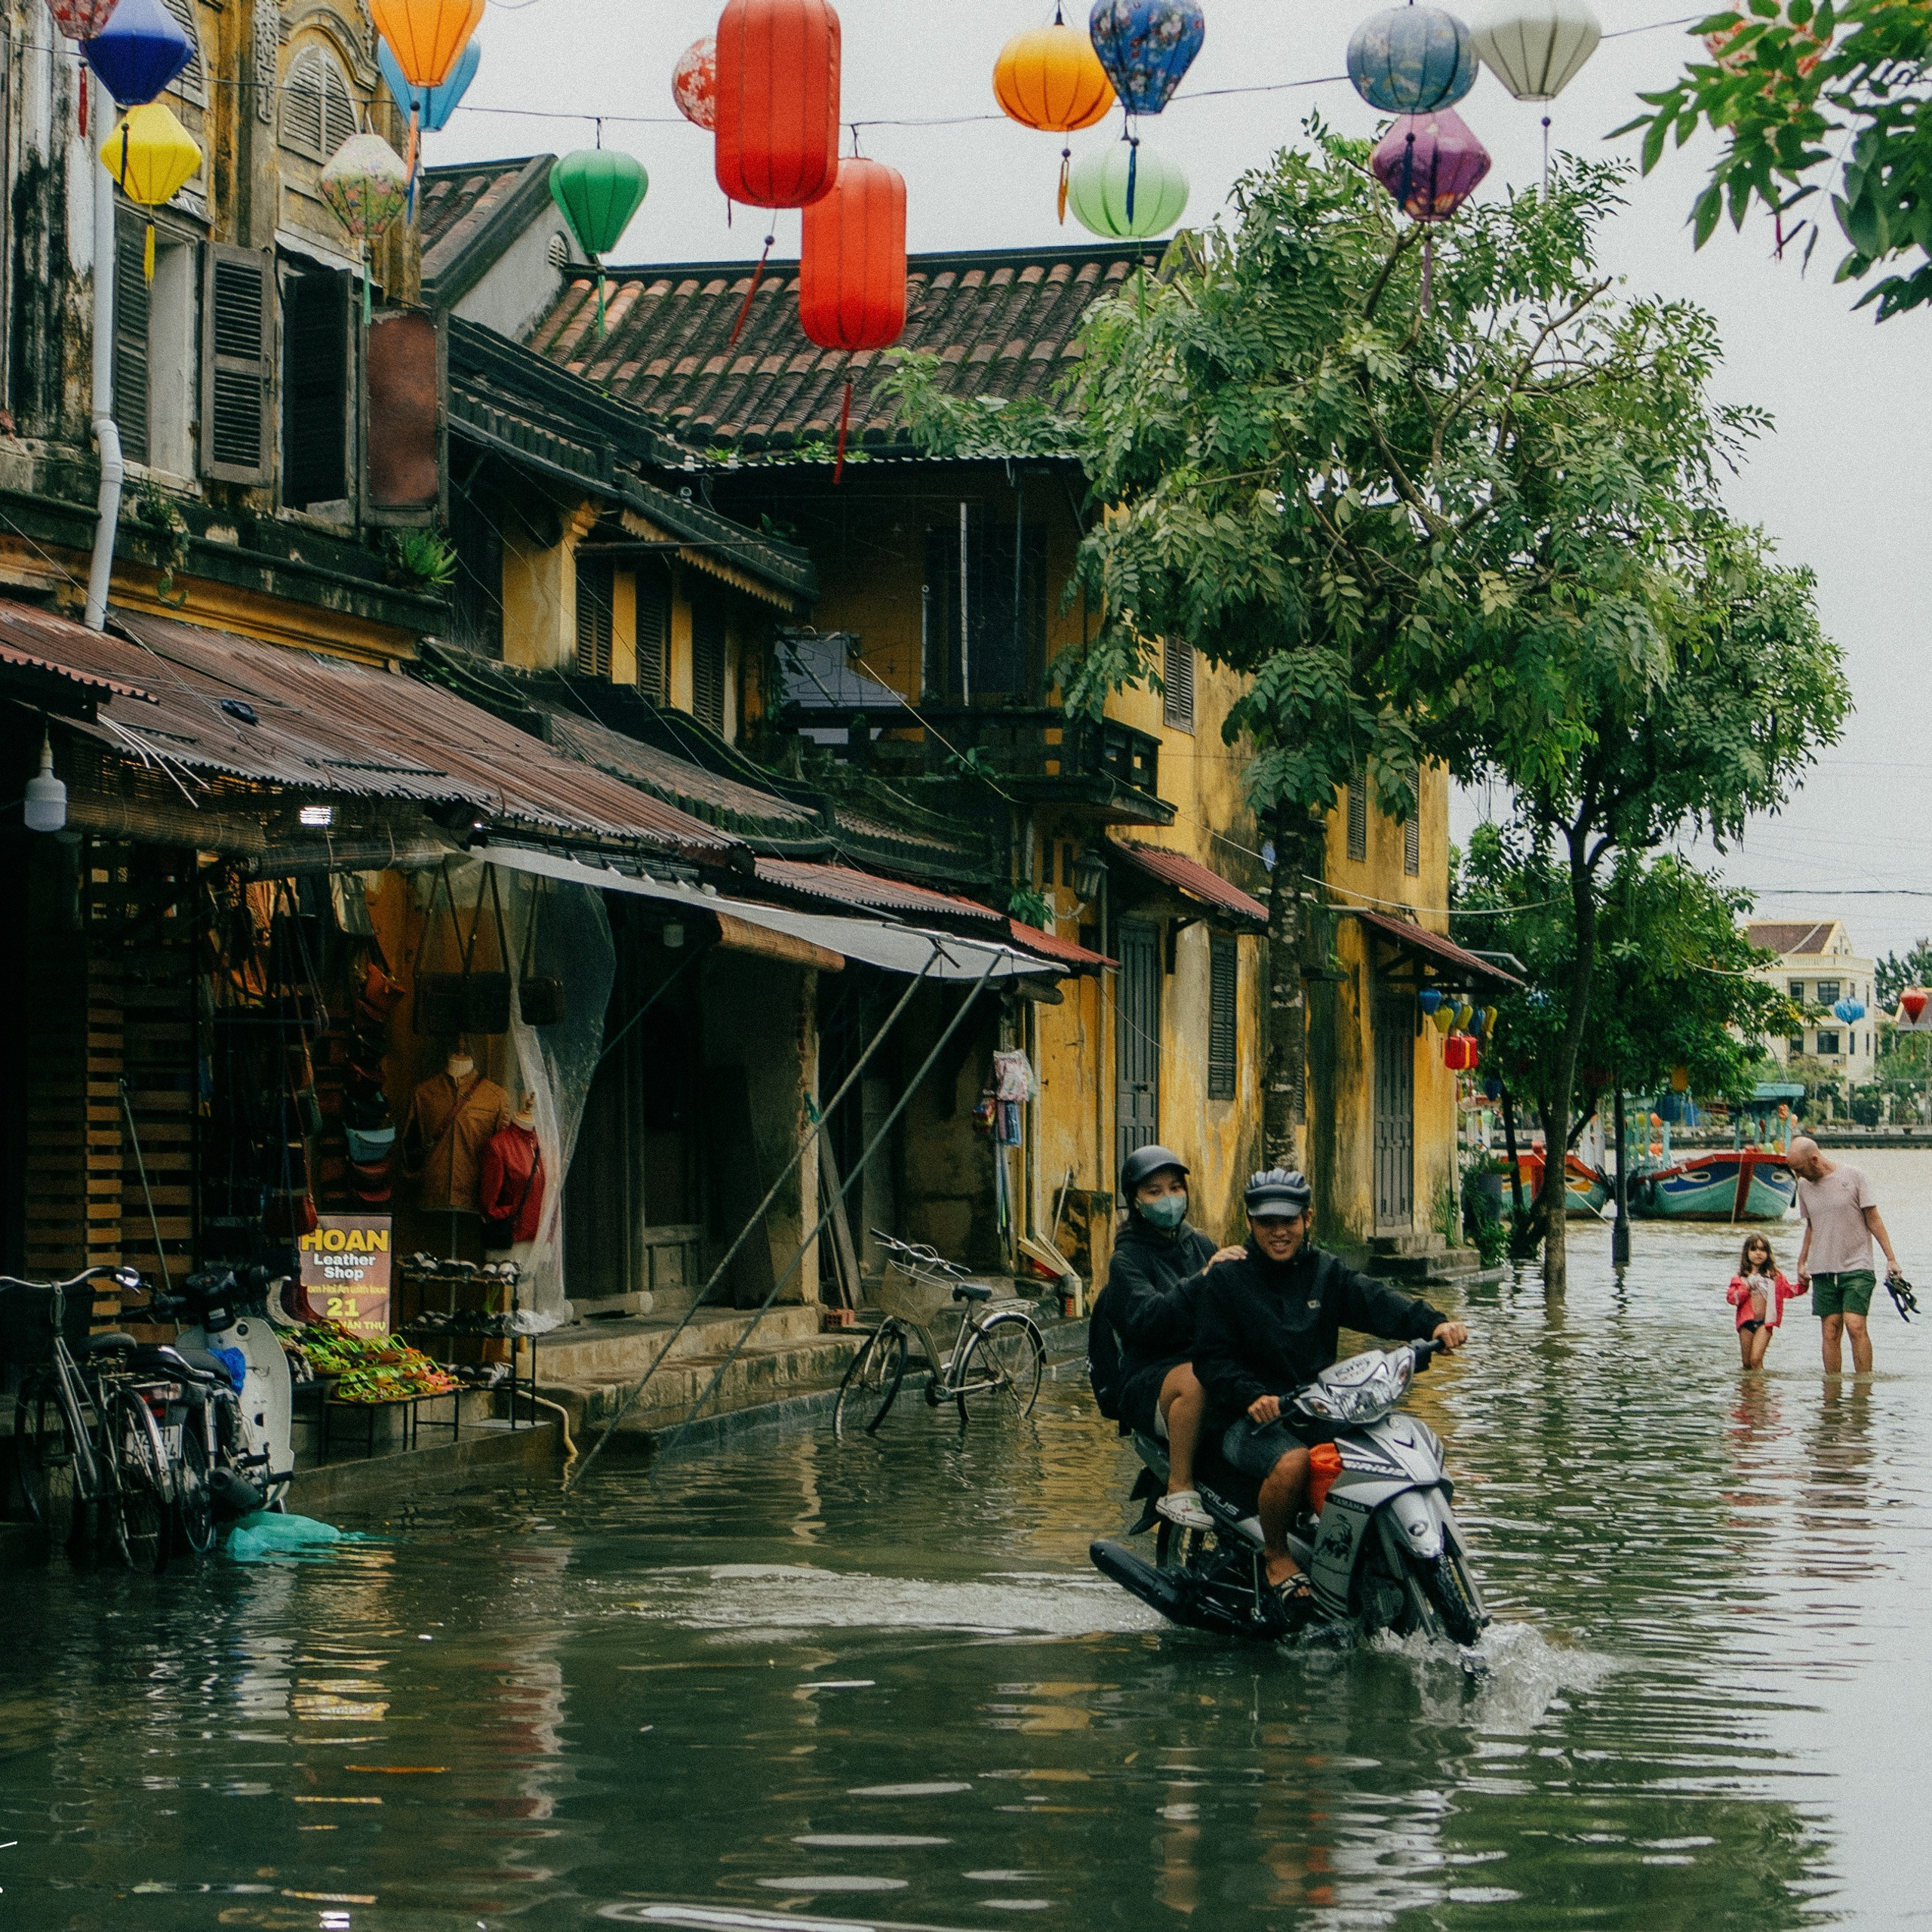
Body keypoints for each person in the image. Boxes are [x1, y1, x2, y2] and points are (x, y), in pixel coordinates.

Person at [1192, 1168, 1469, 1623]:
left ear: (1308, 1219)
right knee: (1293, 1463)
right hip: (1250, 1420)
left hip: (1320, 1409)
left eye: (1289, 1221)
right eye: (1266, 1222)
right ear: (1249, 1221)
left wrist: (1435, 1324)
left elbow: (1376, 1301)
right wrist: (1252, 1396)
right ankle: (1277, 1555)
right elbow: (1210, 1358)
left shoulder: (1325, 1271)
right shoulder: (1227, 1280)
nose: (1279, 1232)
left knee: (1394, 1446)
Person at [1094, 1144, 1244, 1532]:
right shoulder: (1126, 1260)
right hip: (1151, 1375)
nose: (1169, 1198)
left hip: (1205, 1361)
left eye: (1175, 1188)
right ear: (1135, 1201)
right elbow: (1150, 1321)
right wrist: (1203, 1280)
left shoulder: (1200, 1244)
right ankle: (1179, 1485)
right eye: (1154, 1191)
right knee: (1197, 1380)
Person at [1787, 1137, 1903, 1374]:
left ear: (1814, 1160)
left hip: (1857, 1265)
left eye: (1800, 1169)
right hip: (1822, 1268)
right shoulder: (1804, 1186)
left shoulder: (1854, 1176)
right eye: (1794, 1171)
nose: (1797, 1176)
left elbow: (1874, 1219)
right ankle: (1832, 1389)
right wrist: (1802, 1262)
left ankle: (1863, 1387)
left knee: (1855, 1325)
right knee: (1830, 1331)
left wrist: (1891, 1259)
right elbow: (1811, 1226)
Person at [1726, 1231, 1805, 1370]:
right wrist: (1747, 1288)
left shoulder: (1774, 1277)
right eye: (1754, 1249)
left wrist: (1804, 1284)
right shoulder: (1740, 1279)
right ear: (1746, 1253)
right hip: (1745, 1323)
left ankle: (1760, 1384)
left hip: (1765, 1323)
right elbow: (1732, 1299)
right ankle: (1749, 1384)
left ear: (1768, 1253)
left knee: (1756, 1360)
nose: (1758, 1253)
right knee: (1747, 1364)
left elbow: (1790, 1291)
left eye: (1763, 1249)